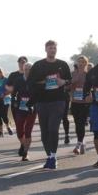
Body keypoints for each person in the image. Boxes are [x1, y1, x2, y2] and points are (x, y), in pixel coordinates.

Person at [27, 40, 72, 169]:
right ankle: (50, 155)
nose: (53, 50)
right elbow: (30, 83)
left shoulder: (62, 65)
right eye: (50, 48)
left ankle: (53, 156)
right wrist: (45, 82)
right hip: (42, 101)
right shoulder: (38, 65)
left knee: (53, 129)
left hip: (58, 101)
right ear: (46, 49)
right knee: (44, 132)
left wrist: (62, 82)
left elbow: (69, 82)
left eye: (54, 48)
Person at [6, 61, 36, 161]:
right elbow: (14, 93)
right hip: (20, 108)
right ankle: (23, 145)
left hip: (31, 108)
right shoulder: (19, 80)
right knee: (19, 131)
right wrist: (14, 101)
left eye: (30, 69)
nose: (28, 71)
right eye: (26, 69)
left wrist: (33, 103)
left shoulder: (35, 80)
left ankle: (26, 153)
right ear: (23, 70)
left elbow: (38, 94)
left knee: (28, 131)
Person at [69, 55, 91, 155]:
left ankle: (78, 145)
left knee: (81, 123)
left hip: (84, 103)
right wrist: (74, 80)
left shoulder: (88, 74)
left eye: (83, 62)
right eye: (79, 62)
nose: (81, 63)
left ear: (86, 63)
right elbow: (68, 86)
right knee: (77, 124)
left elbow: (92, 87)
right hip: (75, 102)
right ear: (77, 63)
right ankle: (82, 142)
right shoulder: (72, 73)